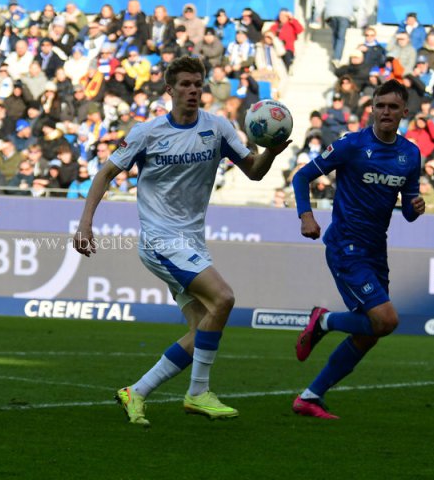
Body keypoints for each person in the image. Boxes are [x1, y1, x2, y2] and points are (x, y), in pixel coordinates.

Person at [73, 56, 289, 426]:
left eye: (198, 84)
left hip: (192, 241)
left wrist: (270, 150)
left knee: (202, 327)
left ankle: (136, 392)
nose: (193, 90)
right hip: (160, 239)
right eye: (185, 84)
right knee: (224, 298)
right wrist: (85, 223)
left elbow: (253, 173)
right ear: (170, 90)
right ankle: (198, 392)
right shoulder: (147, 133)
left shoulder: (218, 128)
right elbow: (105, 173)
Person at [291, 79, 425, 419]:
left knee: (372, 333)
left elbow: (408, 211)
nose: (385, 112)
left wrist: (416, 206)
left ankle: (310, 396)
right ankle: (325, 322)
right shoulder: (351, 145)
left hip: (376, 250)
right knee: (386, 319)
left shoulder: (410, 154)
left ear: (404, 112)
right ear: (372, 109)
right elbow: (301, 176)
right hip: (345, 245)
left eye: (393, 107)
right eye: (380, 105)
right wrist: (306, 216)